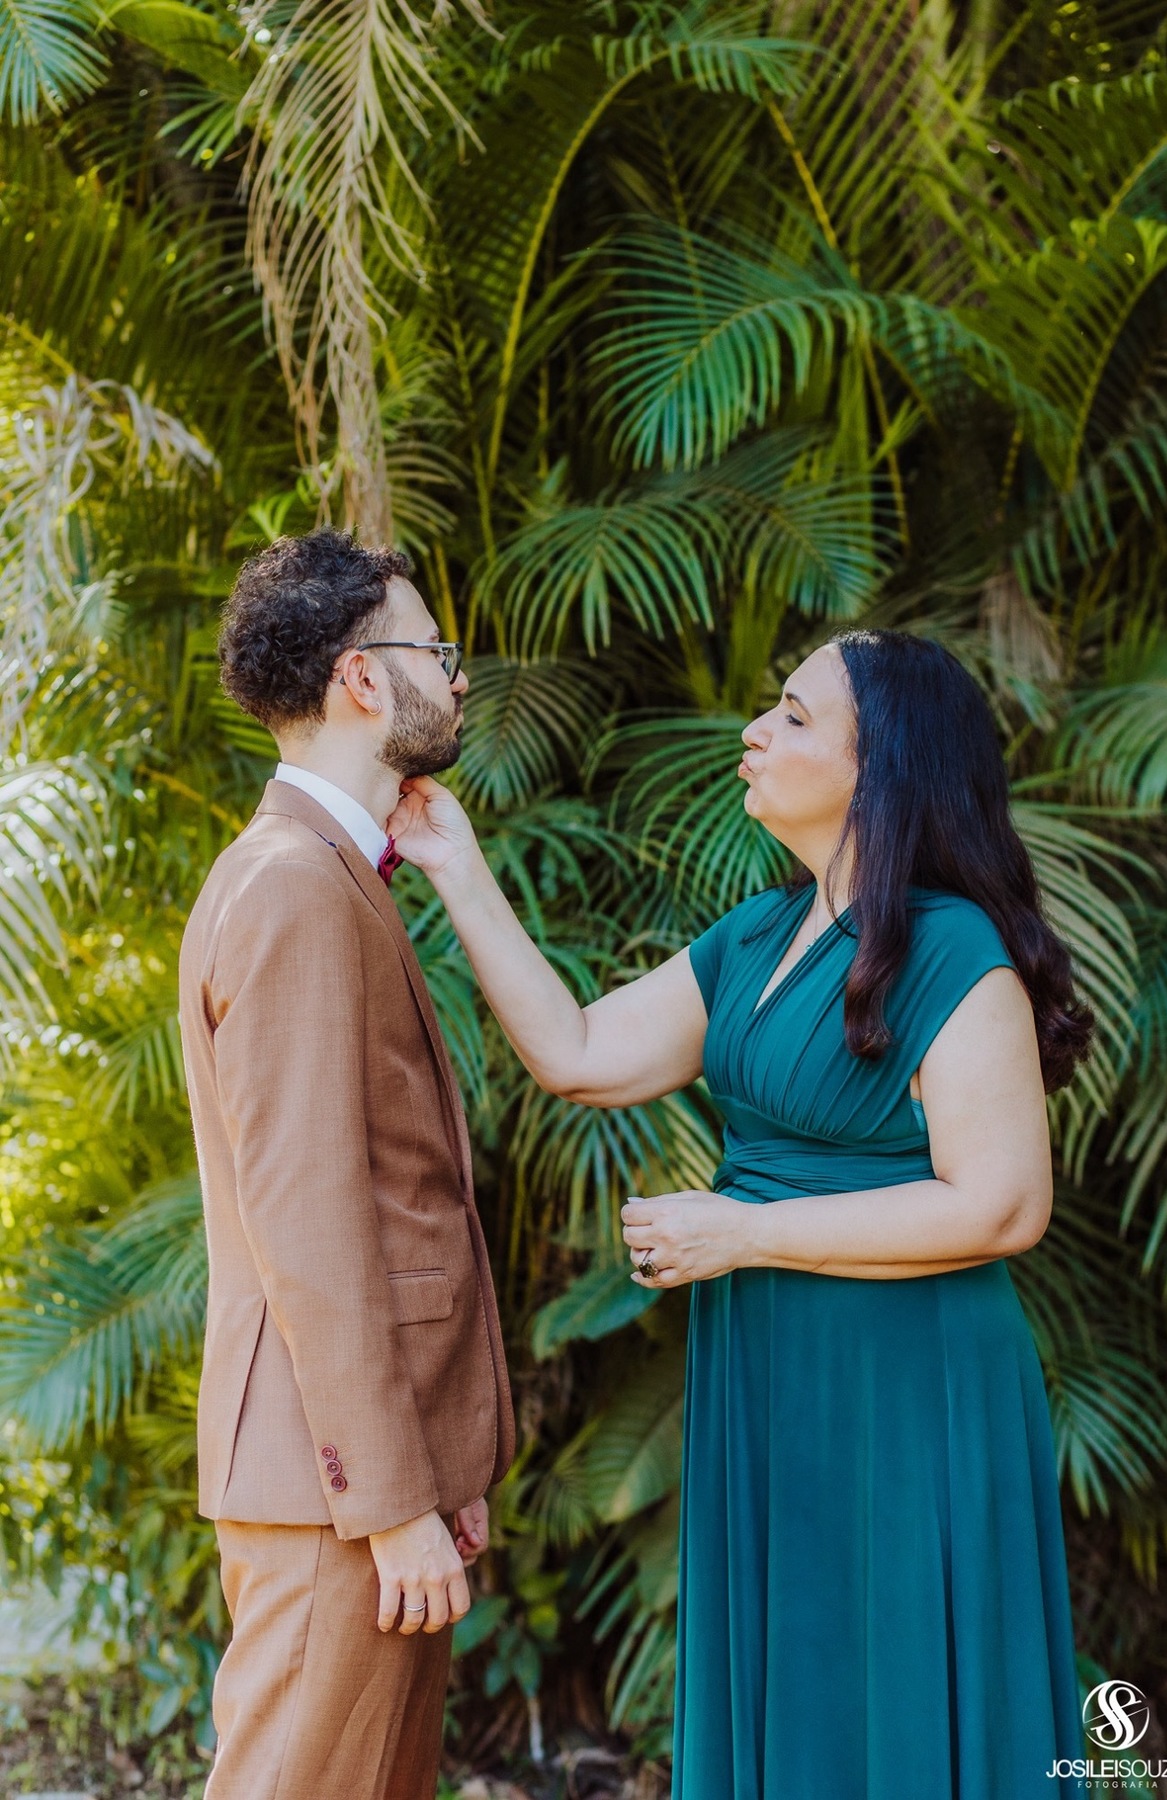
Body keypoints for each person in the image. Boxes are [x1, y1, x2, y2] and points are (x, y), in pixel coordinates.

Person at [388, 628, 1091, 1799]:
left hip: (907, 1384)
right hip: (769, 1367)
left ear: (885, 771)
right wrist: (458, 868)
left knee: (900, 1687)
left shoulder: (955, 949)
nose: (755, 731)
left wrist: (745, 1232)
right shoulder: (759, 936)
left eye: (797, 716)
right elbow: (579, 1052)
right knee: (800, 1678)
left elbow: (1005, 1204)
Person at [179, 528, 514, 1800]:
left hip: (366, 1479)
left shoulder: (320, 873)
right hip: (334, 1498)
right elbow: (311, 1227)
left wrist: (437, 1469)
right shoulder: (291, 888)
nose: (458, 676)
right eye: (436, 648)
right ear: (364, 679)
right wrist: (388, 1501)